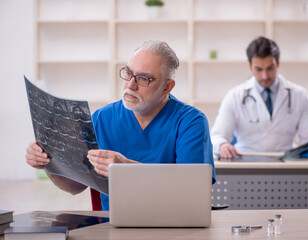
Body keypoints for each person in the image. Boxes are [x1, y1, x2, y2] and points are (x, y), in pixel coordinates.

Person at [26, 40, 216, 210]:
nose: (130, 85)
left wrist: (127, 168)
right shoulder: (102, 118)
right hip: (110, 227)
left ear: (167, 87)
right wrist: (48, 163)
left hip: (172, 225)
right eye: (128, 73)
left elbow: (193, 191)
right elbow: (75, 187)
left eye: (143, 79)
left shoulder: (190, 122)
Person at [211, 36, 308, 159]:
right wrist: (222, 145)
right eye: (258, 69)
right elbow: (217, 136)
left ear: (278, 63)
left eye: (270, 68)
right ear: (250, 66)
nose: (265, 76)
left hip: (285, 165)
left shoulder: (299, 94)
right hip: (246, 163)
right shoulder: (235, 96)